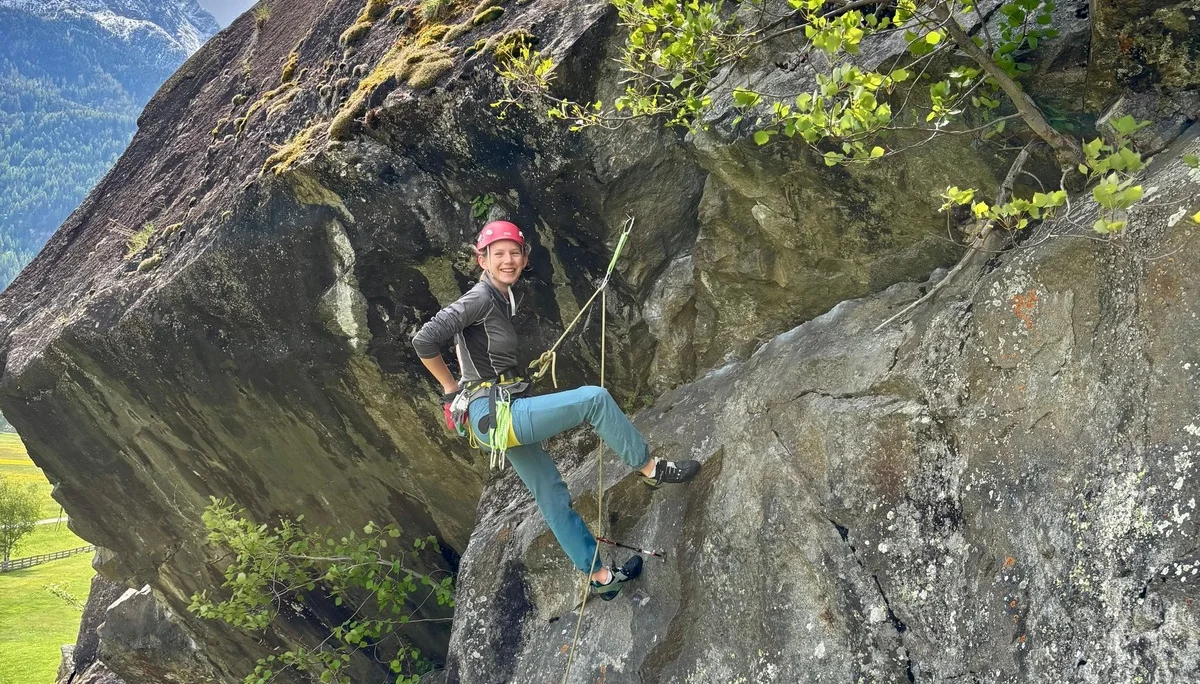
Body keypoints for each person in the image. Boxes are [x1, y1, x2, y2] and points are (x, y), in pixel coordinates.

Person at [412, 220, 700, 598]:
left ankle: (600, 579)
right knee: (594, 400)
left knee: (550, 492)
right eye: (498, 253)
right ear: (482, 260)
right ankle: (651, 470)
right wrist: (452, 391)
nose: (508, 260)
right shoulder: (480, 298)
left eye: (514, 252)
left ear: (525, 256)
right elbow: (425, 339)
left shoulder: (502, 298)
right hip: (495, 415)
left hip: (498, 413)